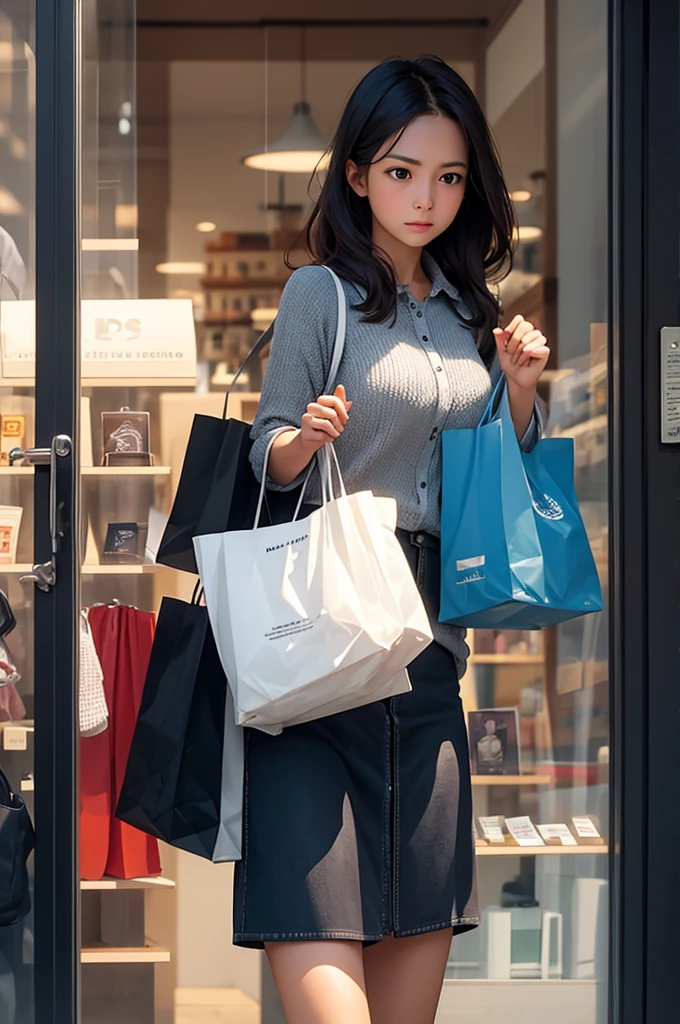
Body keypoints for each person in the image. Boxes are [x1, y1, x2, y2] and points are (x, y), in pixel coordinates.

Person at [241, 56, 550, 1023]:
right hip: (316, 652)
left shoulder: (470, 316)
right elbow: (263, 450)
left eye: (450, 177)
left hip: (426, 655)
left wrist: (523, 393)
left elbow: (493, 471)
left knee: (412, 985)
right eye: (403, 170)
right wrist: (303, 443)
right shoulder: (319, 296)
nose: (426, 197)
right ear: (360, 174)